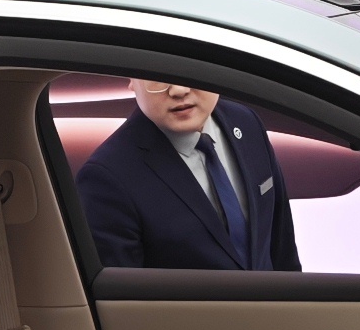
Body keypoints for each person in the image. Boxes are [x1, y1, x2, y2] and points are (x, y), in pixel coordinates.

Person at [75, 74, 302, 272]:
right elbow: (121, 301)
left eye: (189, 70)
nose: (179, 90)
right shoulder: (106, 177)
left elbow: (283, 254)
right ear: (131, 80)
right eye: (157, 75)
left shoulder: (246, 122)